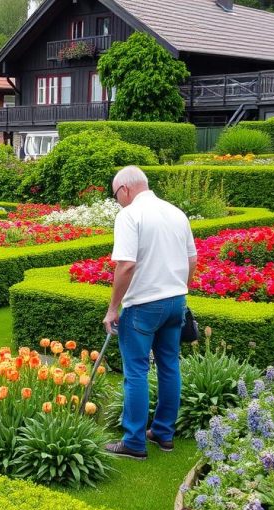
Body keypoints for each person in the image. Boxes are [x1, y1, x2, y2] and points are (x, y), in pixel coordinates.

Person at [102, 166, 197, 460]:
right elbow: (191, 257)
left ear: (125, 189)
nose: (117, 200)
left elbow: (126, 265)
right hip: (175, 301)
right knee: (169, 366)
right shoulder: (175, 212)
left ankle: (134, 441)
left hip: (143, 305)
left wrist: (112, 307)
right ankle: (163, 434)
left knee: (136, 372)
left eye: (116, 194)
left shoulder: (130, 215)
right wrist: (180, 288)